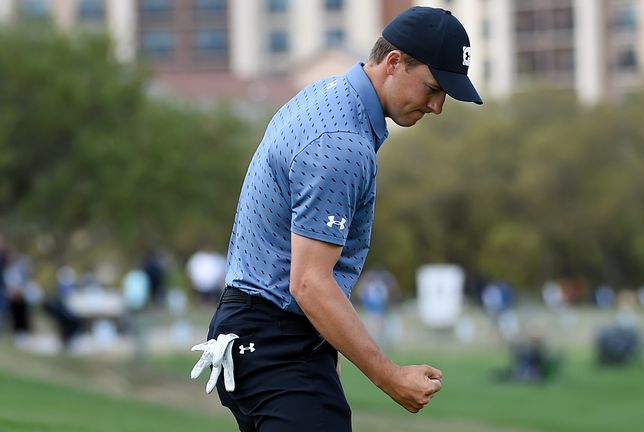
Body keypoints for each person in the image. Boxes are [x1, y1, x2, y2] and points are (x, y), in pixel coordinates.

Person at [191, 7, 482, 431]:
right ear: (395, 62)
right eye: (433, 88)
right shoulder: (341, 142)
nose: (437, 106)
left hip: (265, 336)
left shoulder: (326, 96)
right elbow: (309, 282)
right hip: (275, 342)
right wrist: (391, 377)